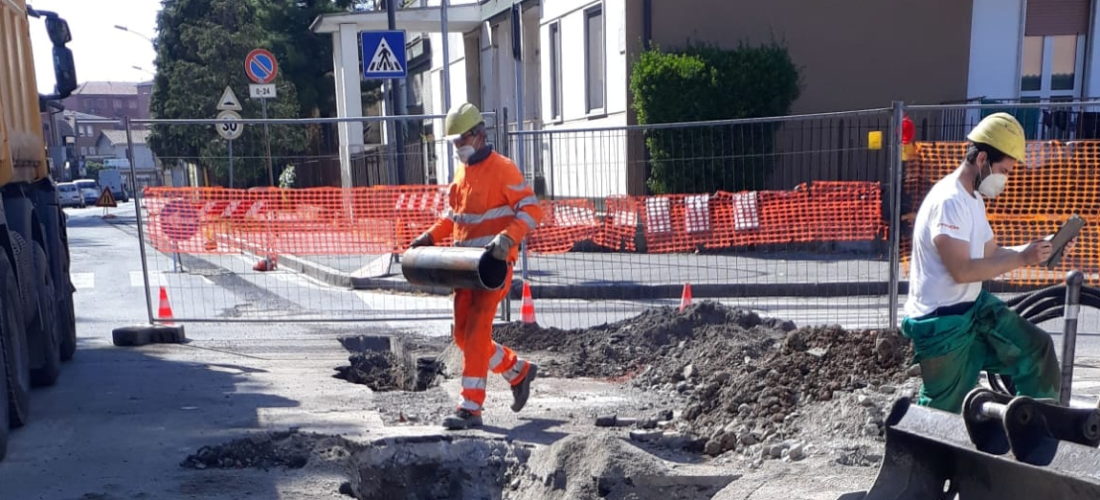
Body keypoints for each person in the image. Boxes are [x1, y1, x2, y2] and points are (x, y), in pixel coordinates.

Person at [902, 112, 1061, 413]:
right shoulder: (950, 202)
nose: (1006, 179)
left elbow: (990, 252)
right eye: (1004, 170)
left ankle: (1041, 432)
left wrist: (1035, 248)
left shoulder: (972, 199)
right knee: (940, 416)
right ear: (982, 159)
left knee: (1036, 349)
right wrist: (1022, 258)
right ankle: (921, 449)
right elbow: (962, 270)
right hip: (941, 323)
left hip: (972, 308)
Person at [410, 102, 544, 430]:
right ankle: (517, 371)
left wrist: (507, 239)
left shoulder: (504, 169)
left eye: (462, 140)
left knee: (476, 333)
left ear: (480, 135)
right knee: (462, 335)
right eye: (454, 143)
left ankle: (470, 408)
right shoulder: (462, 173)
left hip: (493, 269)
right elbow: (454, 218)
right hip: (464, 269)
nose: (458, 147)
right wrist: (429, 237)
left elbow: (531, 210)